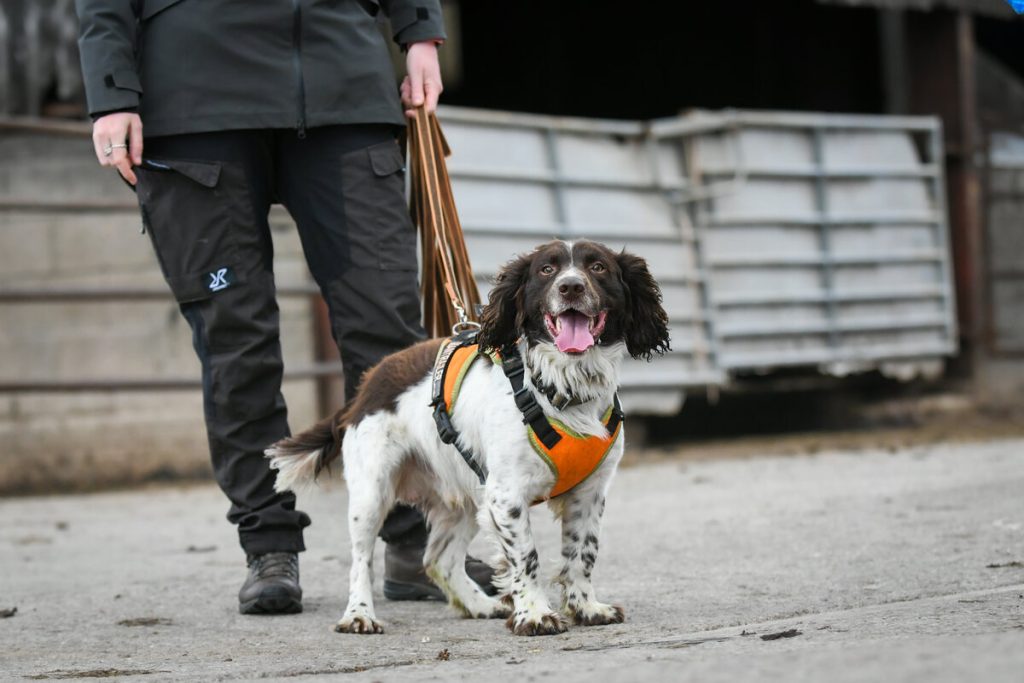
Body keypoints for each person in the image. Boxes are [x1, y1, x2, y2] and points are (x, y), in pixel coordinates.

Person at [74, 0, 492, 615]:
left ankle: (413, 538)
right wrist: (110, 90)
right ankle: (268, 544)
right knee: (235, 338)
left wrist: (421, 32)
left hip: (339, 84)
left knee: (389, 334)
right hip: (193, 98)